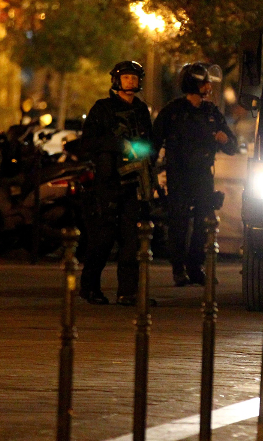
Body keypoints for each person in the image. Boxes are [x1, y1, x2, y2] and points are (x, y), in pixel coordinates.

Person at [153, 63, 238, 286]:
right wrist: (150, 173)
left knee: (204, 221)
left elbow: (232, 146)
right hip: (178, 174)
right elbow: (153, 143)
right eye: (204, 82)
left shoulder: (211, 112)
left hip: (203, 174)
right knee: (179, 222)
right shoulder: (172, 111)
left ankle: (195, 266)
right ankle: (178, 269)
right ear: (193, 84)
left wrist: (225, 139)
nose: (209, 86)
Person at [77, 61, 154, 305]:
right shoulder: (102, 109)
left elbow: (149, 141)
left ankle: (128, 292)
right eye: (126, 77)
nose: (130, 82)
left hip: (134, 183)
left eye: (134, 77)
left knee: (131, 240)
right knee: (102, 239)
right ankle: (90, 288)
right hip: (108, 183)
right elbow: (88, 142)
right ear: (116, 80)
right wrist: (118, 145)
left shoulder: (141, 110)